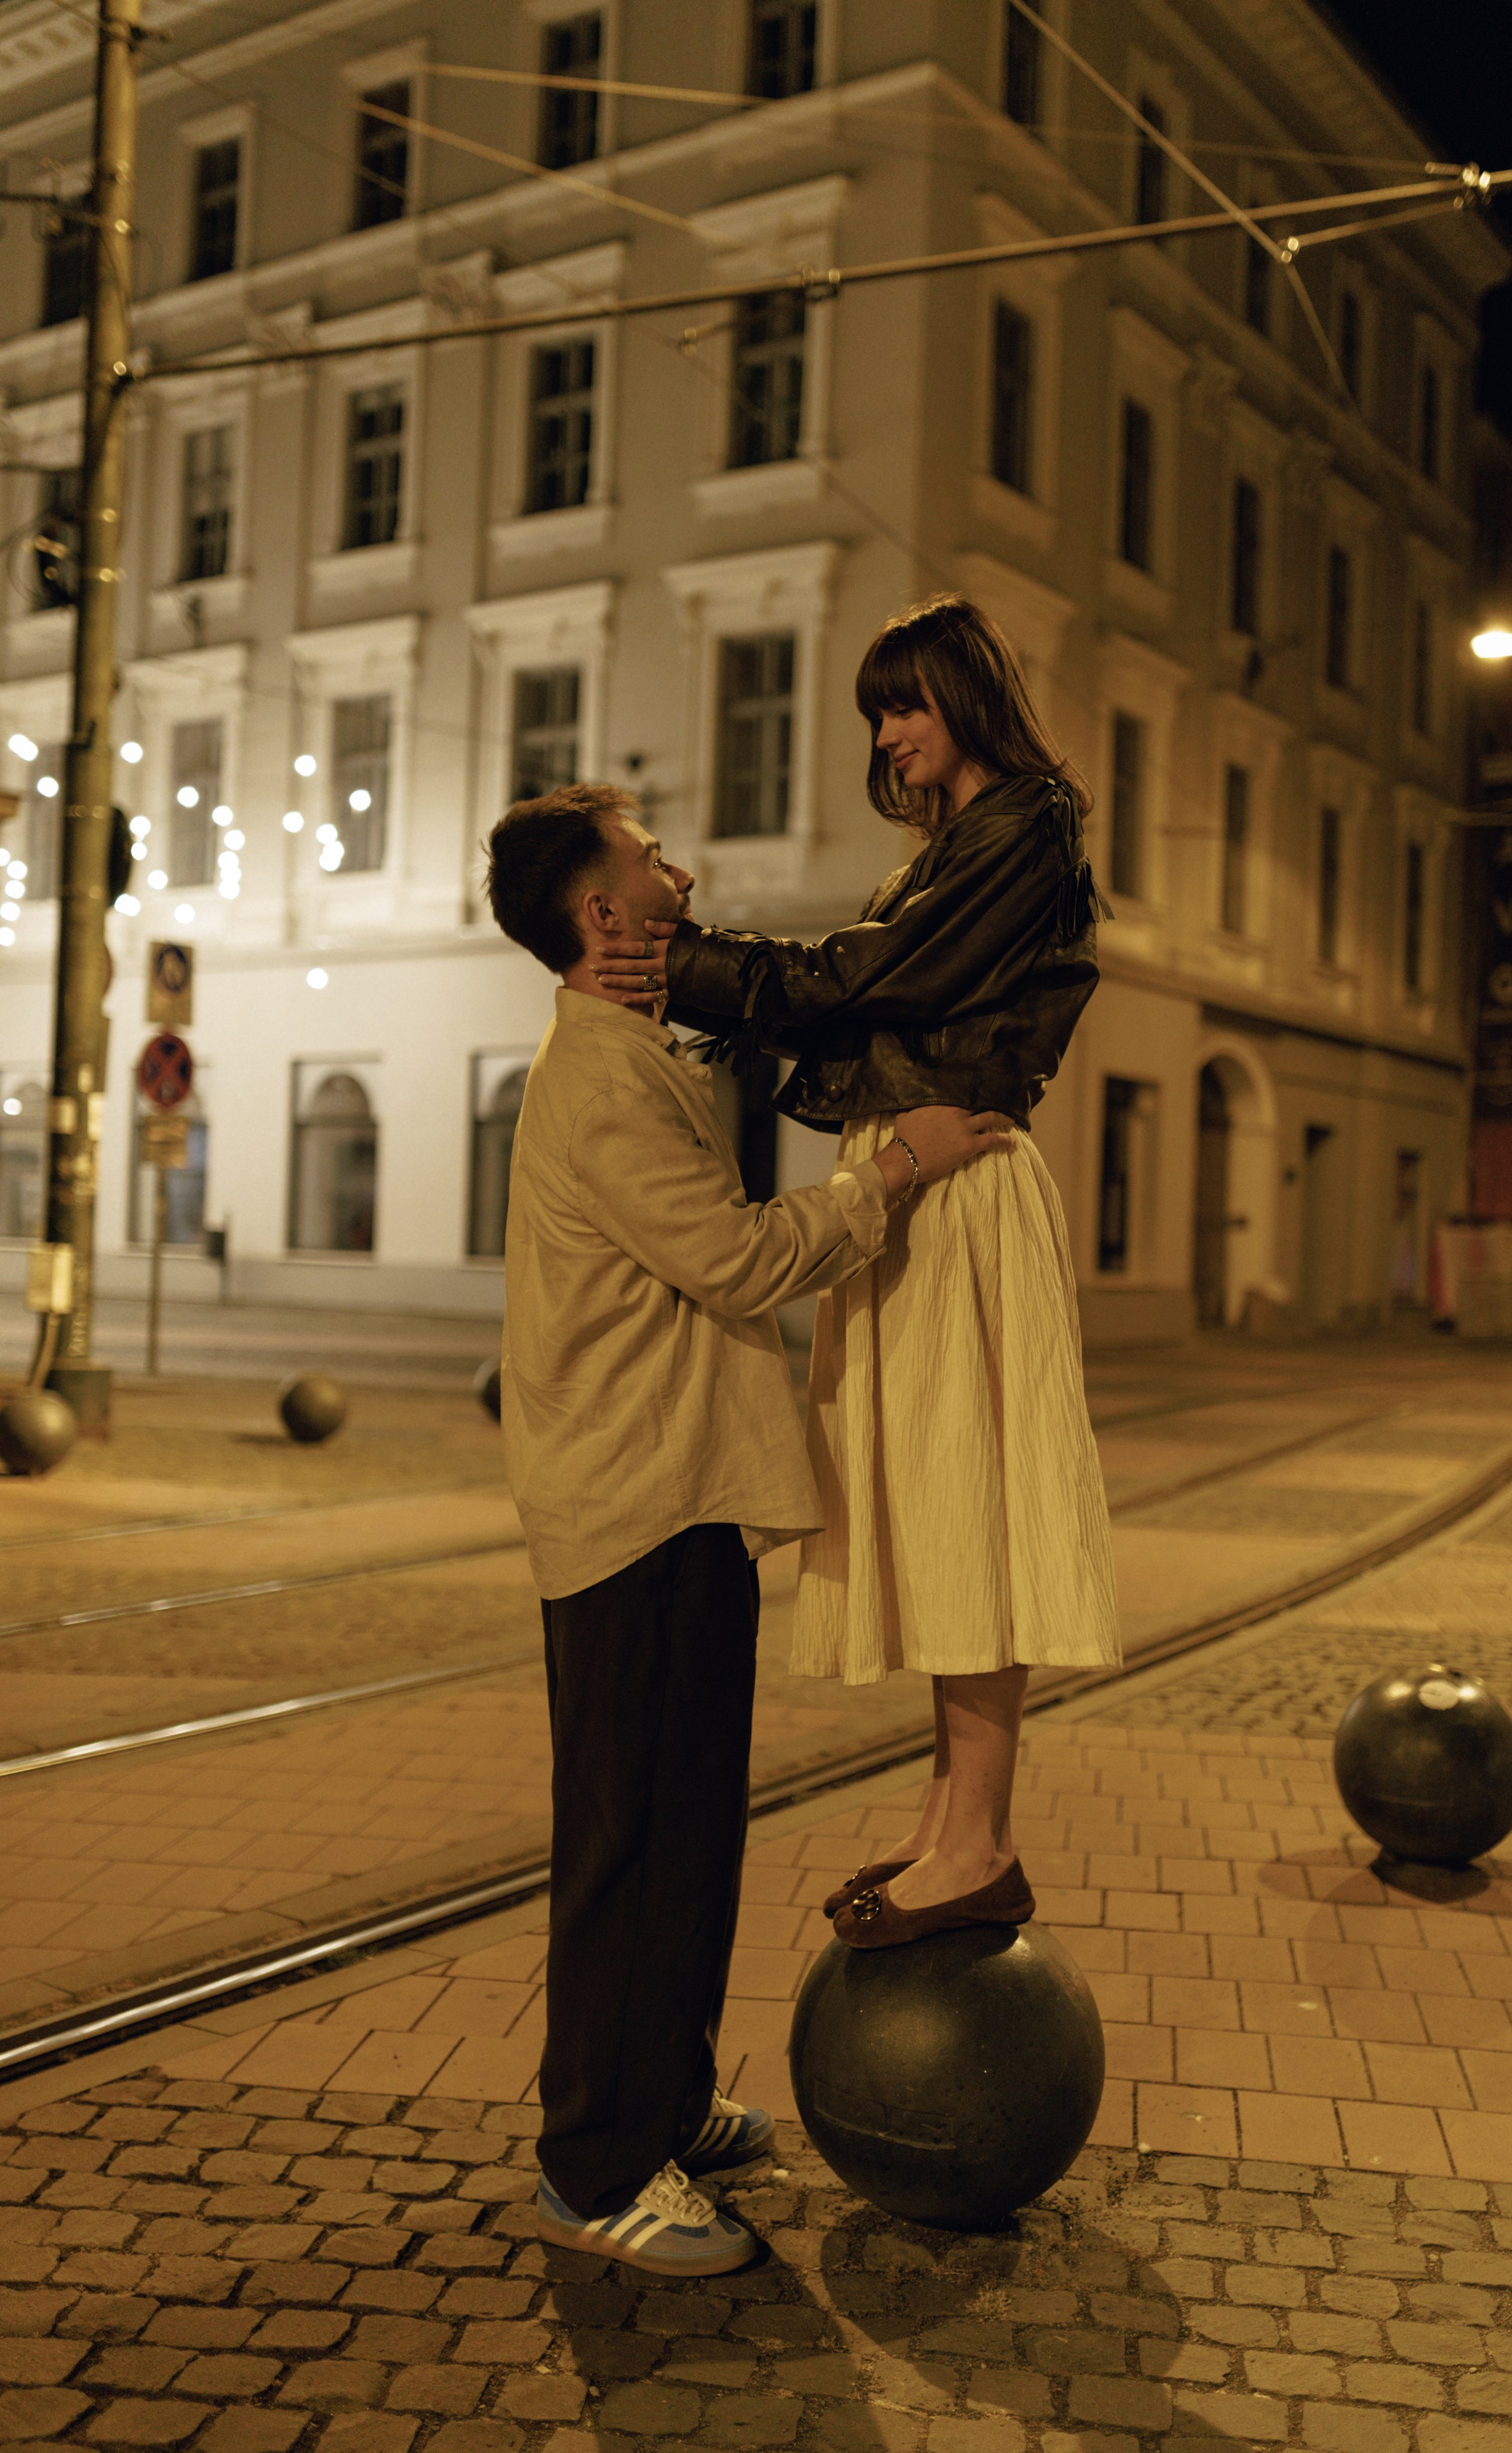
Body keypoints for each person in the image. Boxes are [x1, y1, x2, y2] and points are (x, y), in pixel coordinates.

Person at [485, 779, 1012, 2275]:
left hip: (677, 1493)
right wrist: (890, 1171)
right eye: (651, 860)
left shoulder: (635, 1059)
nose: (679, 870)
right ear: (601, 914)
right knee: (630, 1845)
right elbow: (731, 1262)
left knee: (689, 1833)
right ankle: (595, 2165)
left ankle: (656, 2096)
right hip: (633, 1509)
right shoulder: (598, 1083)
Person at [593, 595, 1122, 1951]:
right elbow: (869, 992)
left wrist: (687, 965)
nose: (887, 737)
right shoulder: (961, 841)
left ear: (962, 696)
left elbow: (870, 977)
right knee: (934, 1503)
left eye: (905, 705)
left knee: (969, 1503)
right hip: (913, 1177)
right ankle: (953, 1818)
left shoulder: (1027, 823)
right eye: (875, 715)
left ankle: (983, 1838)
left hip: (956, 1182)